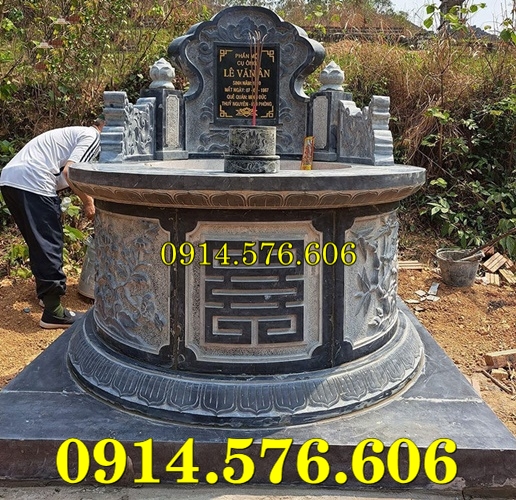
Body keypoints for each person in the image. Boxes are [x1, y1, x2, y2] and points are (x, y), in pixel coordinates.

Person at [0, 118, 104, 329]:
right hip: (33, 181)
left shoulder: (76, 134)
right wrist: (89, 203)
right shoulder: (94, 136)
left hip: (11, 180)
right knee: (49, 243)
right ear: (107, 127)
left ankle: (46, 297)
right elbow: (69, 172)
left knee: (39, 243)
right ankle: (53, 313)